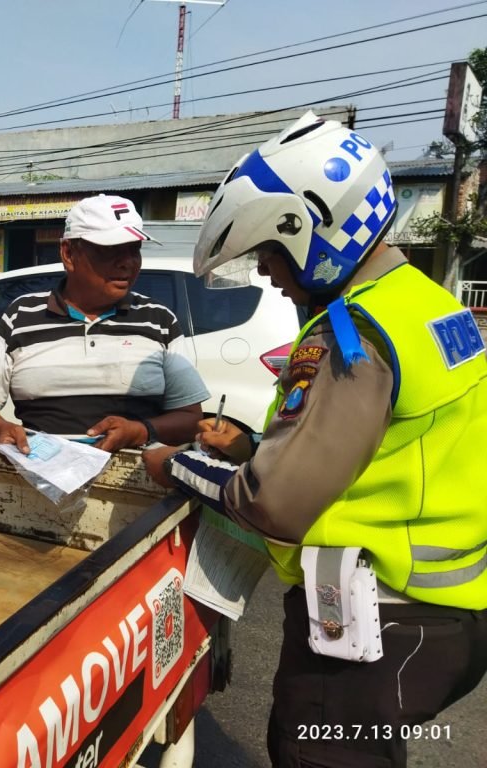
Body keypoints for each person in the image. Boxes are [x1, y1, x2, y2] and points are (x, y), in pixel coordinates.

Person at [143, 111, 487, 768]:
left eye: (271, 251)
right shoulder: (431, 304)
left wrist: (174, 465)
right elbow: (388, 448)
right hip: (456, 615)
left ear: (314, 232)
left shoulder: (354, 334)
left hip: (373, 628)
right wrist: (250, 443)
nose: (268, 271)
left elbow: (271, 503)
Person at [0, 194, 209, 453]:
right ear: (68, 253)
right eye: (110, 250)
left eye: (134, 250)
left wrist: (140, 431)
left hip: (132, 487)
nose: (127, 262)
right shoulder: (21, 315)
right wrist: (0, 428)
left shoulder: (159, 320)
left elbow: (190, 418)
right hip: (39, 480)